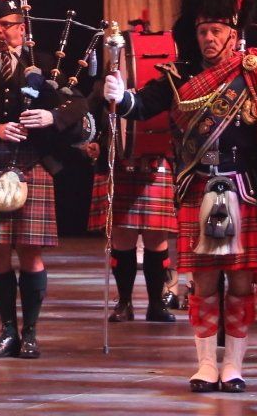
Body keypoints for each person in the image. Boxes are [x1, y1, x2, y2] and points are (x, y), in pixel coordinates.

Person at [103, 0, 257, 392]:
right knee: (203, 282)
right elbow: (143, 106)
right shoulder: (180, 75)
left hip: (245, 190)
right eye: (203, 32)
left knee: (240, 282)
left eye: (216, 31)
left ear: (233, 32)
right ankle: (204, 365)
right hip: (198, 187)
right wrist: (121, 97)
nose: (209, 39)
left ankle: (233, 365)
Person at [0, 0, 87, 361]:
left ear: (22, 29)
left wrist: (52, 117)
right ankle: (7, 330)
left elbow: (78, 103)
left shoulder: (44, 66)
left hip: (32, 164)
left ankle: (31, 333)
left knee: (30, 251)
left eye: (7, 25)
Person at [88, 24, 179, 325]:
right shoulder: (104, 84)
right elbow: (90, 117)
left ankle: (156, 304)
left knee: (156, 237)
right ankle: (124, 302)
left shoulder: (162, 82)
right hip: (118, 162)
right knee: (123, 237)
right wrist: (92, 140)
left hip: (155, 160)